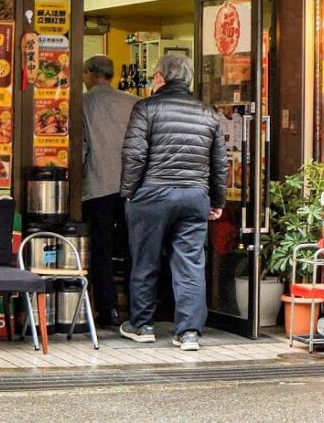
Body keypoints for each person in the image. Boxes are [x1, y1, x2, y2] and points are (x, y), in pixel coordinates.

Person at [118, 54, 227, 352]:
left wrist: (128, 192)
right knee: (190, 263)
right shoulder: (208, 114)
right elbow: (219, 163)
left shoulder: (146, 108)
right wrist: (217, 200)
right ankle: (189, 332)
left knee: (145, 260)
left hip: (152, 194)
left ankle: (141, 325)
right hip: (194, 196)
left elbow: (134, 155)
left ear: (161, 78)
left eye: (154, 74)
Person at [80, 55, 139, 327]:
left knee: (101, 249)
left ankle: (108, 310)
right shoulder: (133, 103)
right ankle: (137, 307)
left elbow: (80, 147)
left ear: (91, 74)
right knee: (132, 248)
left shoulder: (83, 102)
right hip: (132, 187)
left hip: (99, 184)